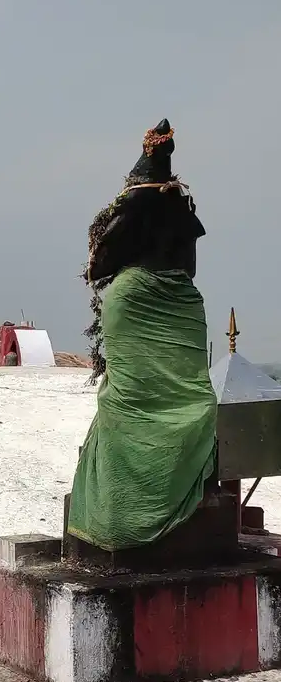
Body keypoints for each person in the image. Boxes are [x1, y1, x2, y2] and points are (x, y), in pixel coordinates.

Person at [67, 120, 217, 551]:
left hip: (136, 299)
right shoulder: (179, 208)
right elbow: (188, 269)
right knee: (183, 400)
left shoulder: (133, 206)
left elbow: (98, 261)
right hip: (176, 301)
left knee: (131, 399)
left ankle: (124, 508)